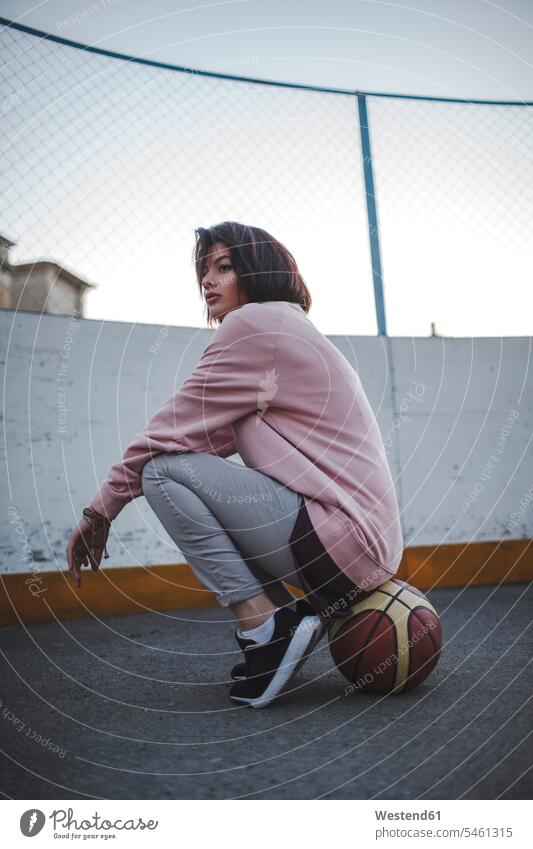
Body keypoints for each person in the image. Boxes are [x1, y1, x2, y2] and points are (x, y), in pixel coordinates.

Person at [66, 221, 404, 709]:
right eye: (204, 271)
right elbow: (199, 437)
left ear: (257, 270)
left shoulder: (255, 325)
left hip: (338, 540)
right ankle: (280, 628)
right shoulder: (286, 330)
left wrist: (99, 511)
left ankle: (264, 628)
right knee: (179, 468)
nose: (207, 281)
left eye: (223, 267)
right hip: (359, 549)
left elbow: (167, 433)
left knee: (159, 470)